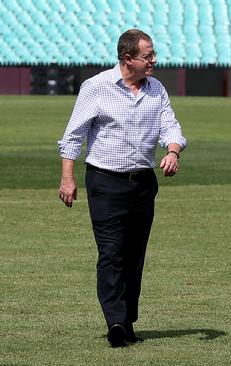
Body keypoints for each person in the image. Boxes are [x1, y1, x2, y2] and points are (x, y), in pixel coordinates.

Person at [57, 29, 187, 347]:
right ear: (128, 59)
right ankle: (115, 322)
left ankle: (127, 320)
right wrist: (67, 177)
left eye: (153, 54)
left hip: (143, 183)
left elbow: (170, 125)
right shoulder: (96, 87)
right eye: (148, 55)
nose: (154, 60)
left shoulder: (156, 89)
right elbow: (74, 135)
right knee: (111, 253)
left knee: (134, 255)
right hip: (105, 182)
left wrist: (172, 150)